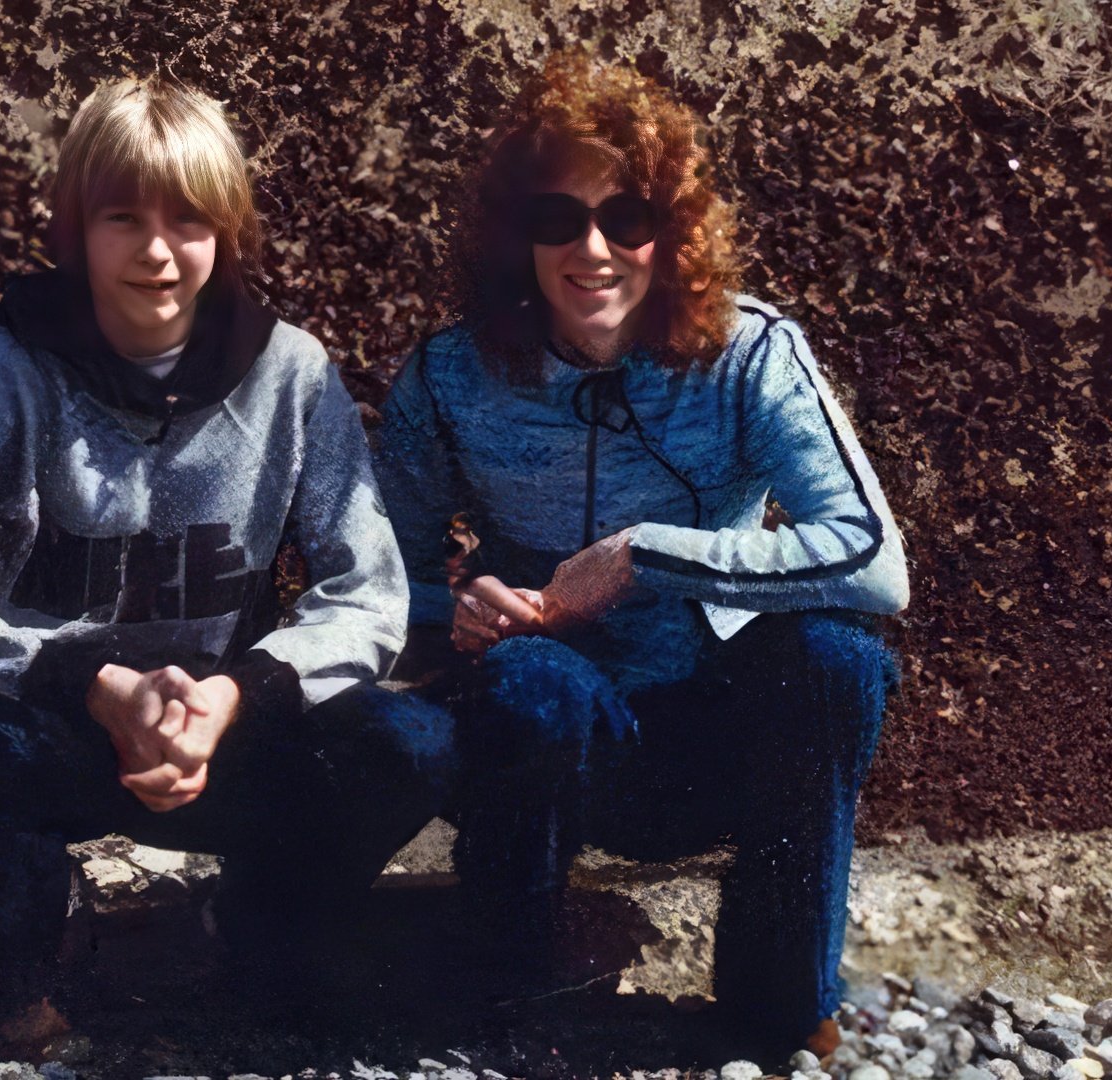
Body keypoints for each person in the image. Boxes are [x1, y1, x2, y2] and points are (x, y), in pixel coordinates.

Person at [0, 75, 450, 1032]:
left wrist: (233, 696)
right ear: (76, 227)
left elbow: (370, 598)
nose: (159, 252)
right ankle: (29, 943)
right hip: (54, 730)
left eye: (189, 219)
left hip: (221, 738)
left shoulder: (291, 371)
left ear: (227, 232)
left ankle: (254, 925)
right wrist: (95, 686)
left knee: (410, 741)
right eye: (123, 217)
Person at [372, 53, 910, 1066]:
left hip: (711, 721)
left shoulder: (748, 353)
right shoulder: (449, 375)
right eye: (555, 220)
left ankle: (779, 1005)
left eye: (626, 219)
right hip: (541, 722)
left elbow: (876, 562)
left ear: (671, 232)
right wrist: (458, 614)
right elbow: (370, 582)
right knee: (530, 681)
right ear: (515, 236)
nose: (592, 250)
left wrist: (644, 556)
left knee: (837, 661)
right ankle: (514, 989)